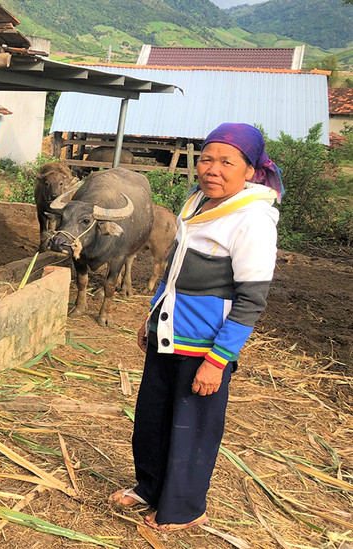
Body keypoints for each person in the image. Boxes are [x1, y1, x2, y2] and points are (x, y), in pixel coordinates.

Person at [109, 123, 283, 531]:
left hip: (203, 346)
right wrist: (151, 316)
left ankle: (185, 508)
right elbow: (172, 272)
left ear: (251, 170)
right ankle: (149, 487)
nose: (212, 169)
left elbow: (252, 300)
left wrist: (217, 361)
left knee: (191, 430)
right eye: (206, 159)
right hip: (168, 333)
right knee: (152, 420)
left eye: (227, 162)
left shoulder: (253, 220)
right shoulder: (197, 203)